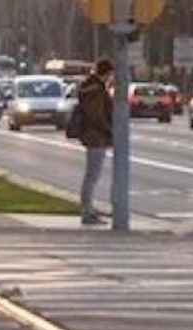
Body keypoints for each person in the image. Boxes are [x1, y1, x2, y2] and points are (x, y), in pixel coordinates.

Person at [76, 60, 114, 226]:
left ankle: (88, 208)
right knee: (92, 175)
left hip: (92, 134)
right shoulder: (96, 90)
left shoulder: (90, 87)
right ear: (105, 73)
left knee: (91, 175)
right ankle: (87, 211)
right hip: (96, 135)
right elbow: (97, 115)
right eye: (110, 74)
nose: (111, 78)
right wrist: (109, 131)